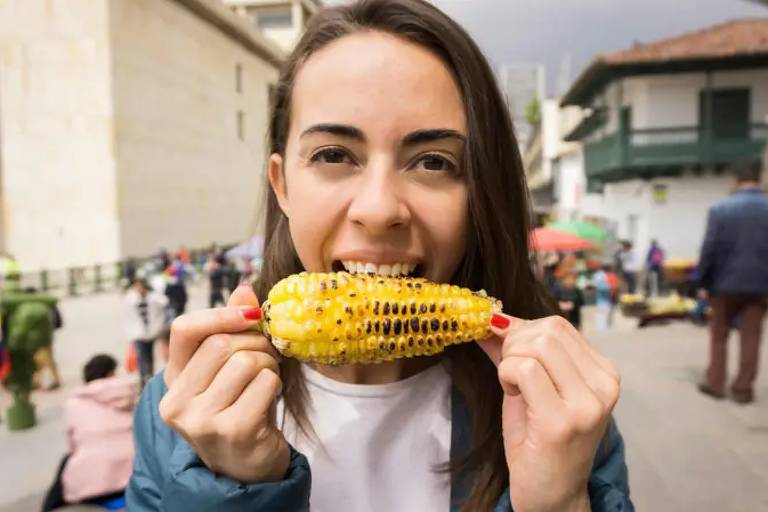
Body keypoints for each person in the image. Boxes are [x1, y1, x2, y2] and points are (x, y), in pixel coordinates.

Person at [128, 2, 631, 511]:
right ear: (282, 185)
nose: (379, 209)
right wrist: (230, 488)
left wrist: (558, 502)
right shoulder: (177, 413)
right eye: (333, 155)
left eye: (433, 162)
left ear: (480, 192)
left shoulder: (563, 412)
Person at [697, 160, 768, 404]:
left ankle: (716, 383)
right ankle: (743, 389)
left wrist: (703, 282)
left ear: (735, 180)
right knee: (751, 337)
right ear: (760, 178)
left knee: (719, 336)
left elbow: (710, 249)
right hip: (760, 286)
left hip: (723, 285)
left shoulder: (721, 209)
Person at [42, 354, 136, 511]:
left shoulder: (73, 403)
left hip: (91, 487)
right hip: (133, 476)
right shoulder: (128, 396)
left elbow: (73, 446)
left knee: (66, 462)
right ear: (110, 374)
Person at [124, 279, 167, 389]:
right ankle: (144, 380)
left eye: (141, 286)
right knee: (142, 357)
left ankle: (149, 378)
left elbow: (164, 302)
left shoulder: (153, 298)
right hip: (138, 334)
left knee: (150, 356)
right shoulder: (131, 299)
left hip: (151, 333)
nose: (139, 289)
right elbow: (128, 316)